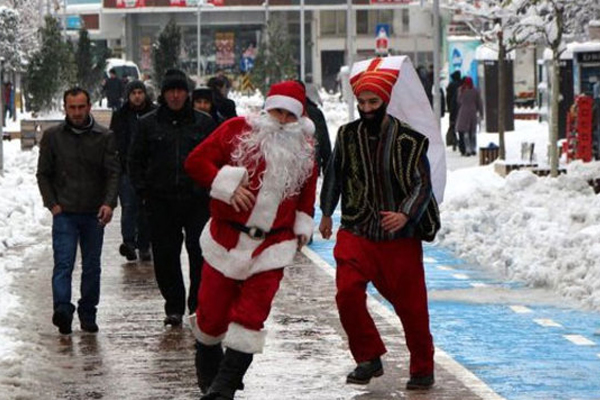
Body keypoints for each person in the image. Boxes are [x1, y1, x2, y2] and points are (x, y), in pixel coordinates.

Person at [184, 80, 318, 399]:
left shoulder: (304, 148)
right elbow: (195, 162)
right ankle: (209, 369)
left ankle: (224, 387)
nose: (283, 120)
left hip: (273, 247)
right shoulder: (235, 129)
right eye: (278, 111)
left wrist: (302, 224)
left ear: (299, 118)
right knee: (211, 317)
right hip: (225, 239)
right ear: (266, 108)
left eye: (290, 115)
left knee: (252, 316)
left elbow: (307, 191)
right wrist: (226, 183)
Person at [319, 58, 441, 391]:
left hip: (399, 237)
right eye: (362, 102)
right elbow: (335, 175)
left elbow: (422, 183)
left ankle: (422, 367)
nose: (367, 108)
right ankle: (368, 356)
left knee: (412, 307)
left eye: (373, 102)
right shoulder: (346, 135)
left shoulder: (409, 140)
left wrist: (404, 214)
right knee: (346, 294)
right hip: (357, 229)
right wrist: (327, 212)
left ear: (385, 101)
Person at [129, 69, 216, 326]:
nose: (175, 96)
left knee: (200, 254)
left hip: (197, 200)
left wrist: (212, 188)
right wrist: (144, 191)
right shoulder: (148, 124)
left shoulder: (204, 123)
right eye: (171, 91)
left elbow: (217, 158)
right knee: (166, 256)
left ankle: (197, 304)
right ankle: (174, 306)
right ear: (164, 94)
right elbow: (135, 161)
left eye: (179, 90)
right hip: (161, 201)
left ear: (186, 93)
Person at [36, 87, 120, 335]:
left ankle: (88, 313)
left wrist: (109, 203)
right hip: (65, 213)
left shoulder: (104, 137)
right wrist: (52, 204)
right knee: (63, 263)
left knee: (92, 266)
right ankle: (62, 309)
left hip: (94, 213)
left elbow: (113, 173)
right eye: (72, 107)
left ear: (89, 106)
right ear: (65, 108)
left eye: (81, 107)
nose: (77, 112)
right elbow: (43, 173)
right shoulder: (53, 137)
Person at [110, 80, 156, 262]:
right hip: (127, 170)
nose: (137, 96)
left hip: (149, 170)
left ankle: (145, 245)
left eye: (140, 92)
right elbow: (115, 141)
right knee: (129, 207)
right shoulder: (121, 116)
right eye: (133, 93)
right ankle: (129, 243)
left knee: (146, 209)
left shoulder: (154, 113)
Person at [455, 76, 483, 157]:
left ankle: (467, 149)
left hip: (463, 112)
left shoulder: (461, 90)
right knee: (473, 132)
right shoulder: (475, 91)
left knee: (465, 132)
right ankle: (473, 148)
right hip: (473, 112)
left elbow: (459, 101)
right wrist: (481, 113)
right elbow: (479, 102)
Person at [446, 70, 462, 151]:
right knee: (461, 125)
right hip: (461, 108)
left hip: (453, 108)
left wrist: (449, 108)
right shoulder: (461, 84)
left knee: (453, 124)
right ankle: (460, 140)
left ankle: (454, 140)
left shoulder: (451, 85)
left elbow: (448, 98)